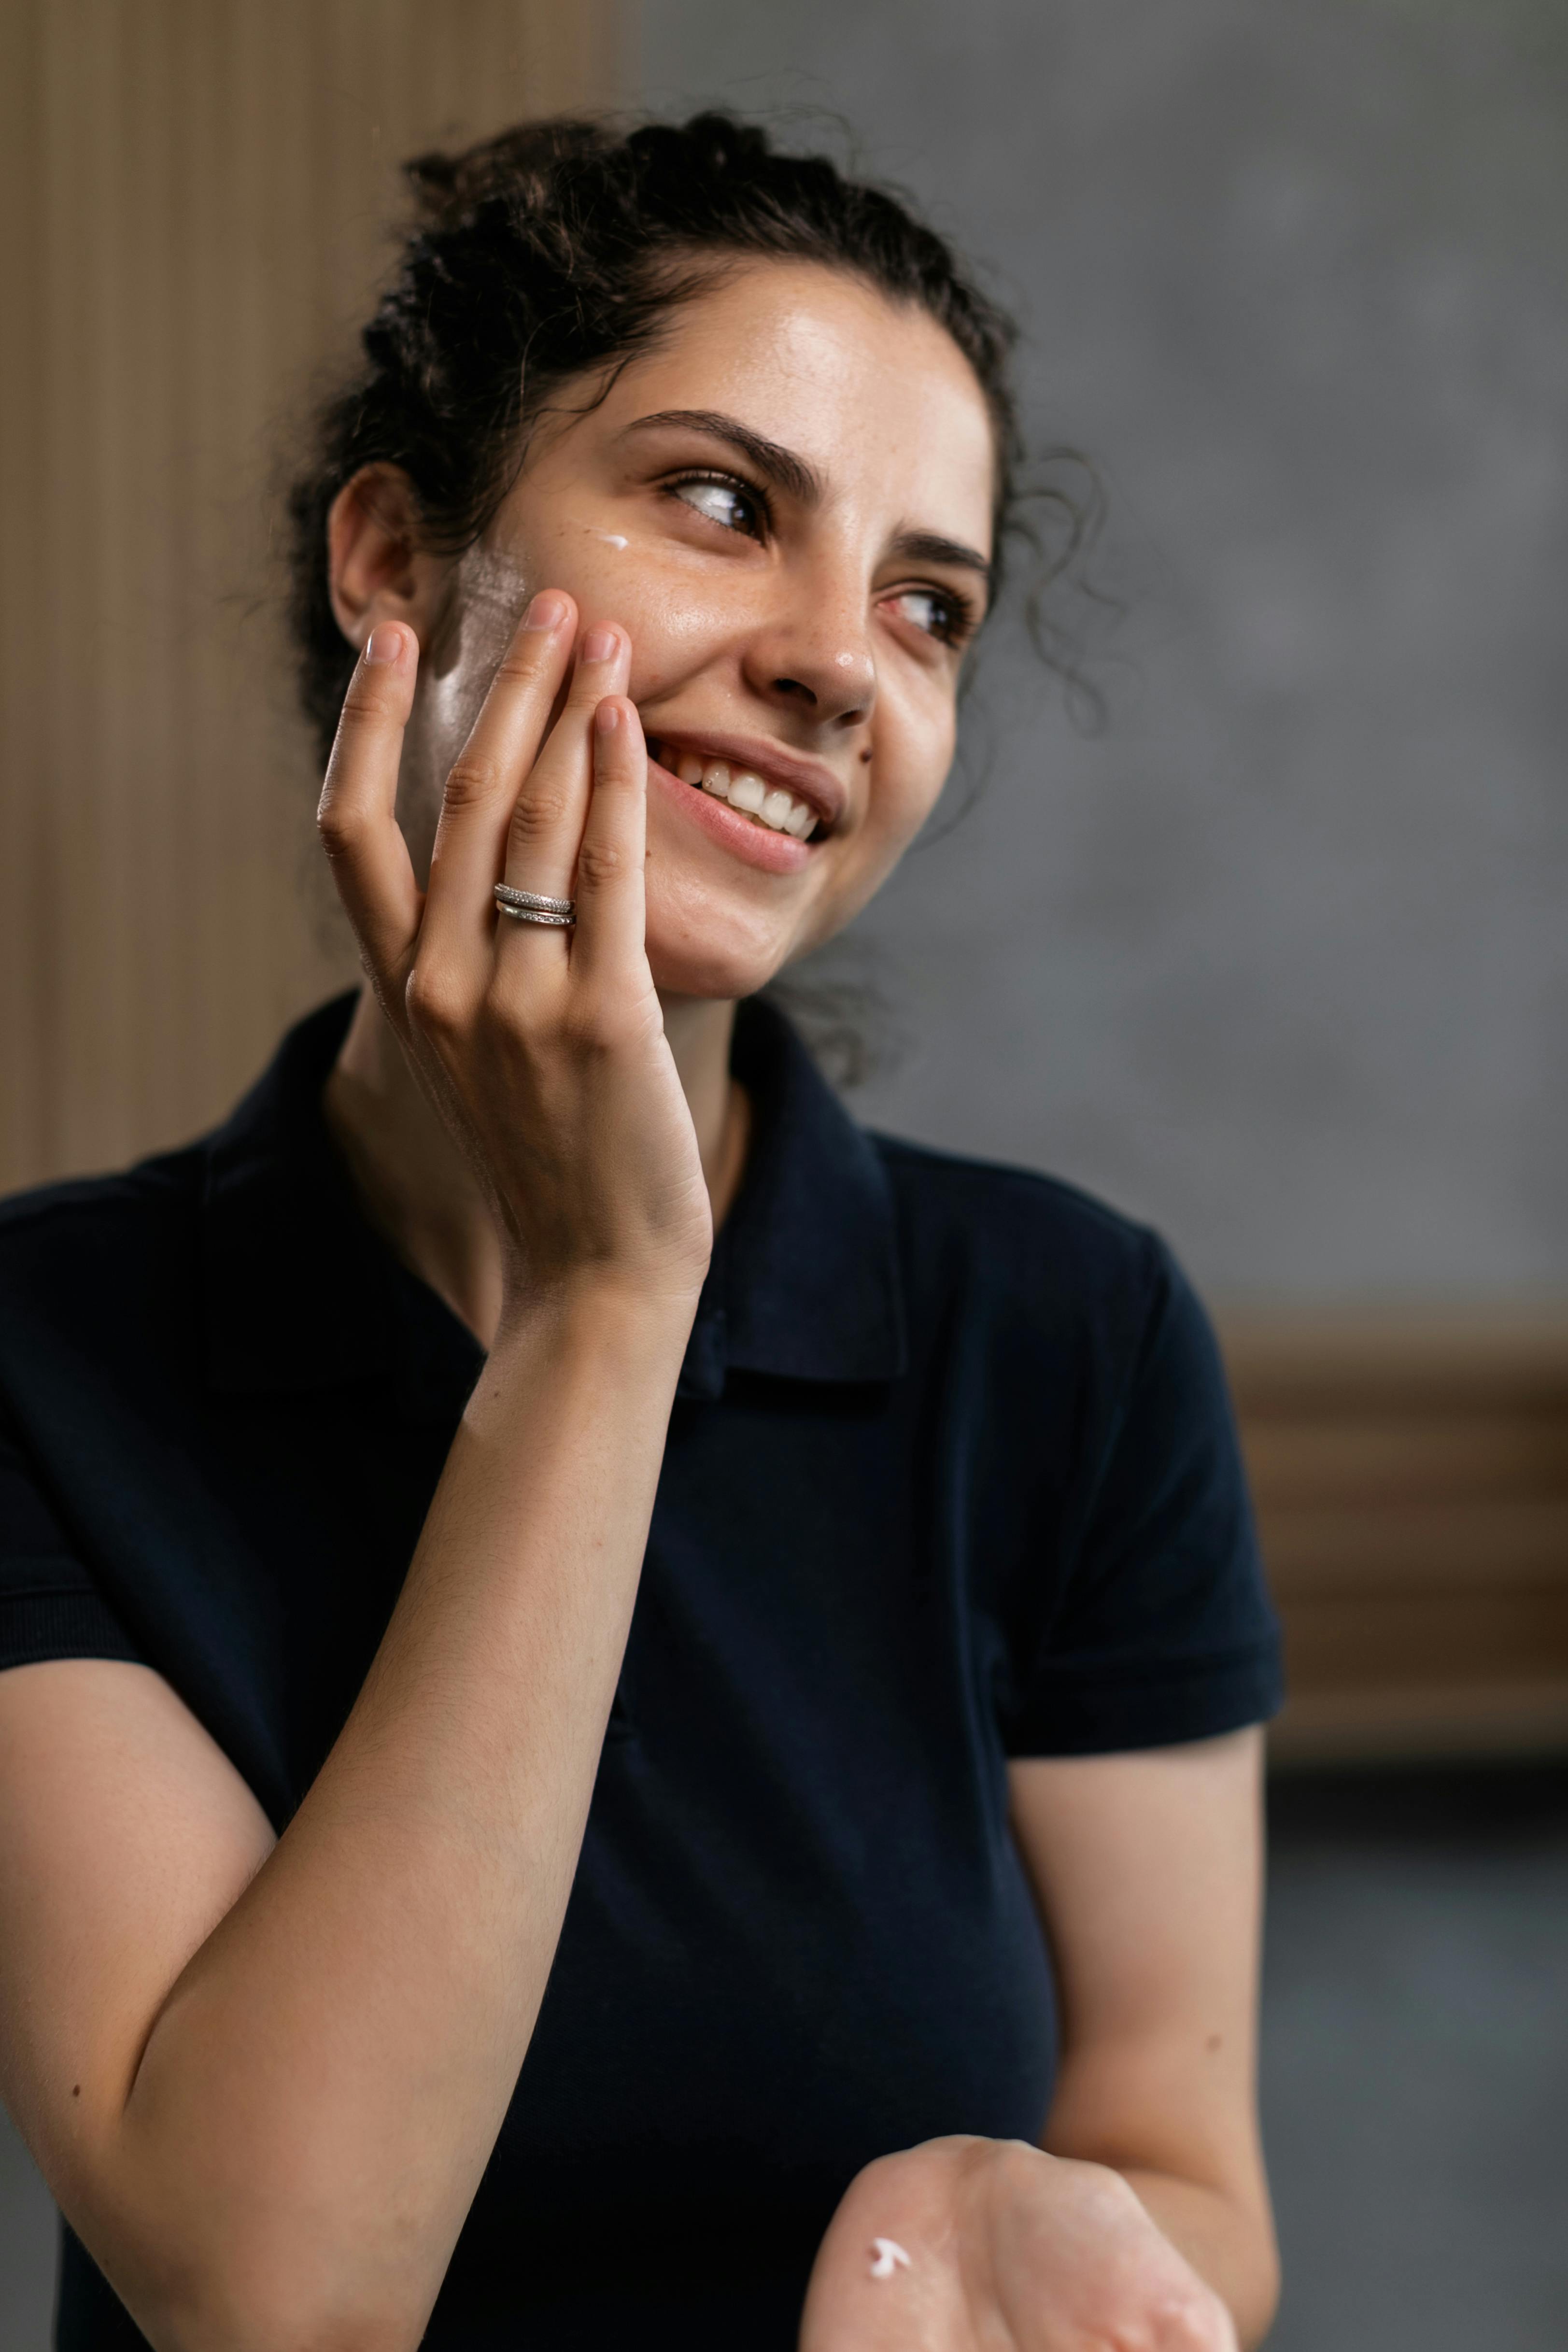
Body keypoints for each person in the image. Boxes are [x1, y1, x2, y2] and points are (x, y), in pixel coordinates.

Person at [0, 114, 1283, 2352]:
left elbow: (1183, 2169)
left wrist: (1021, 2221)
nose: (839, 667)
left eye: (928, 604)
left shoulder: (1068, 1336)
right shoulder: (45, 1342)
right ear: (395, 560)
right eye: (719, 501)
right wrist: (604, 1309)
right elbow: (269, 2296)